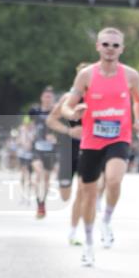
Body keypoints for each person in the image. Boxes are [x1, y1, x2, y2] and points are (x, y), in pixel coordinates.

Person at [62, 27, 139, 267]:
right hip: (91, 140)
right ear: (98, 46)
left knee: (113, 180)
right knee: (88, 194)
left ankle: (106, 219)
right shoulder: (86, 75)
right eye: (106, 44)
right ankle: (88, 244)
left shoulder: (131, 75)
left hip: (119, 137)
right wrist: (73, 113)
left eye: (115, 45)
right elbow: (67, 106)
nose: (110, 49)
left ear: (122, 49)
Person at [47, 62, 89, 245]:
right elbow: (51, 120)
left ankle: (73, 231)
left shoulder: (98, 98)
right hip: (68, 148)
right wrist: (69, 131)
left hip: (88, 148)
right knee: (65, 194)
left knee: (84, 190)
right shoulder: (68, 97)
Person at [29, 87, 58, 219]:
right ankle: (37, 201)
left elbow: (63, 127)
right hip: (37, 148)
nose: (47, 99)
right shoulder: (35, 111)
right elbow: (29, 125)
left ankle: (42, 203)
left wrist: (56, 137)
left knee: (46, 178)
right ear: (41, 98)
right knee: (39, 173)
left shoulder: (56, 112)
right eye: (46, 96)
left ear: (53, 99)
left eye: (50, 97)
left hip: (50, 150)